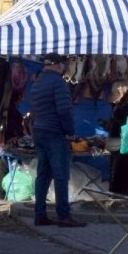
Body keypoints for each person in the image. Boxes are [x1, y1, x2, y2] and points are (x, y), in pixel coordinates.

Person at [30, 53, 86, 228]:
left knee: (43, 175)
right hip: (55, 133)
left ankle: (40, 215)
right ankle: (64, 216)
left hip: (39, 131)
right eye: (63, 64)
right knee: (61, 175)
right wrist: (69, 131)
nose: (64, 67)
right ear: (57, 65)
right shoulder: (58, 83)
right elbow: (64, 110)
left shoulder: (38, 82)